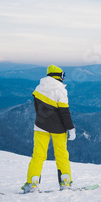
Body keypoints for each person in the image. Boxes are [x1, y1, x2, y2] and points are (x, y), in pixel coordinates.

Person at [22, 65, 76, 193]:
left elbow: (37, 109)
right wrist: (71, 128)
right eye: (62, 76)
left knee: (38, 156)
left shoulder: (38, 89)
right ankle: (65, 183)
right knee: (61, 155)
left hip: (40, 127)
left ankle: (32, 184)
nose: (63, 79)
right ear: (57, 76)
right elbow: (64, 112)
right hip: (59, 129)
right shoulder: (61, 90)